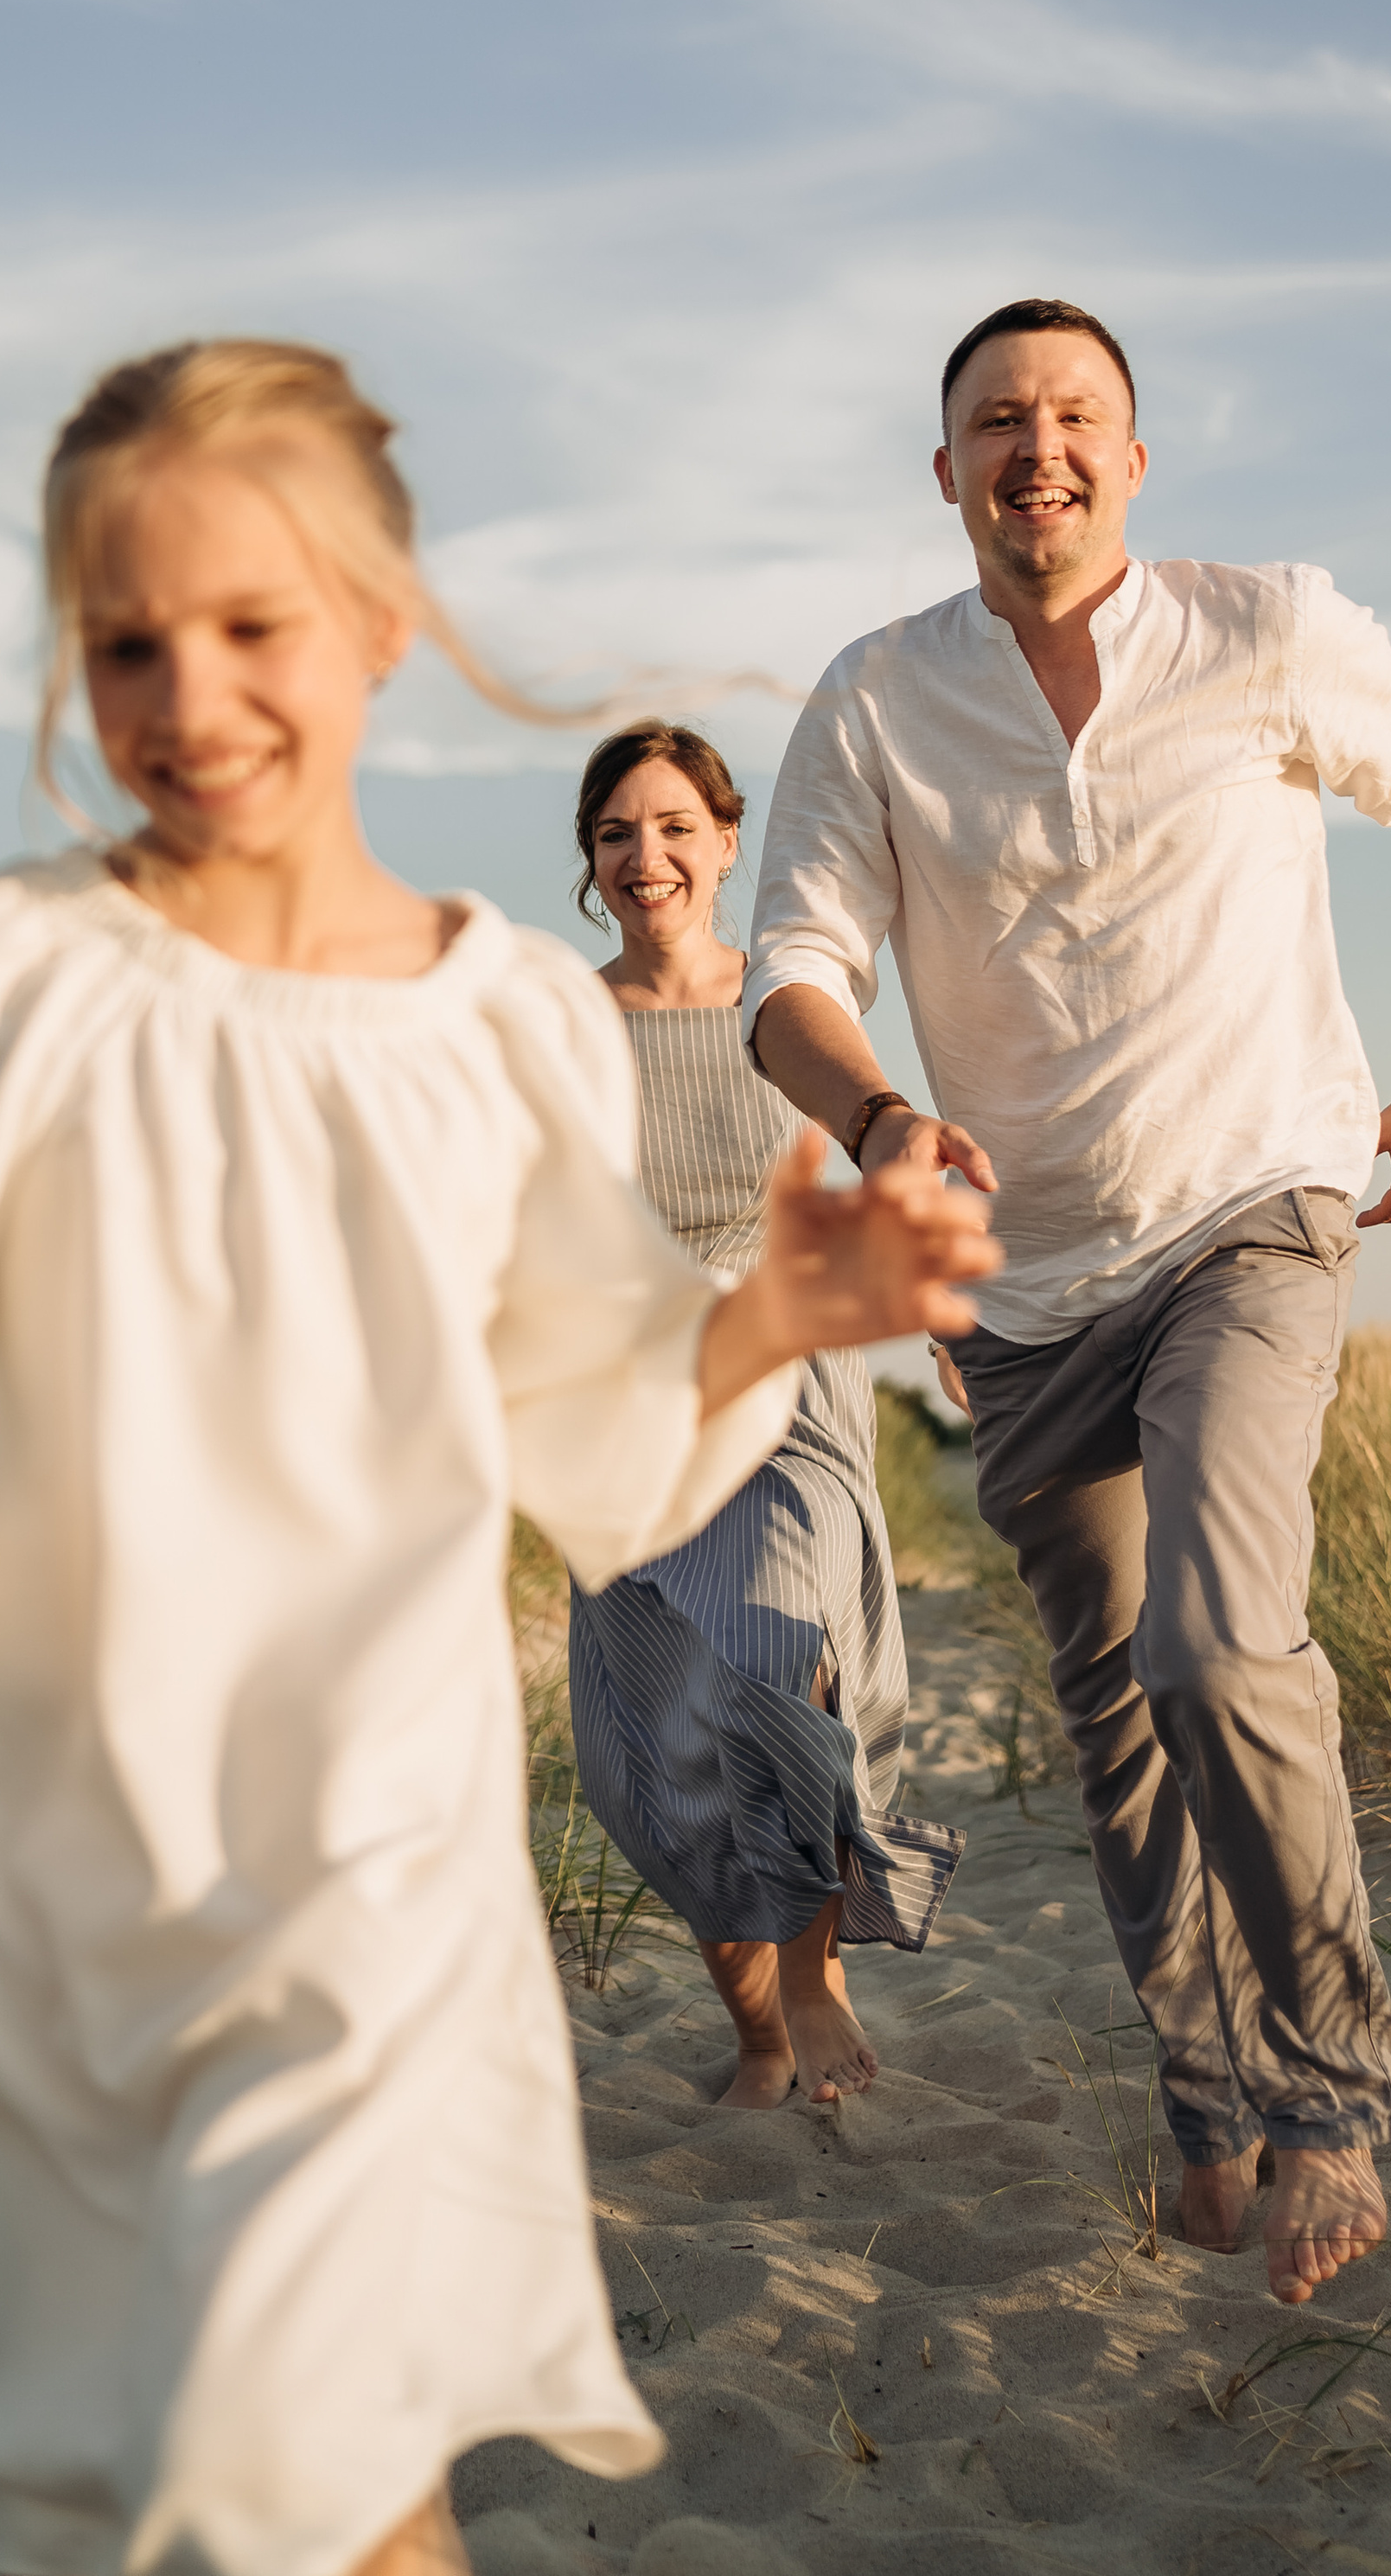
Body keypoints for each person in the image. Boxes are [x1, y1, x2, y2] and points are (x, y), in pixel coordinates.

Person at [0, 341, 999, 2576]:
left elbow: (586, 1416)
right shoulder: (0, 971)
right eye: (123, 642)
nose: (187, 696)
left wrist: (783, 1313)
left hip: (372, 1854)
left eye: (254, 626)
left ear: (384, 621)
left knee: (340, 2447)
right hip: (43, 1856)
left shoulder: (494, 1020)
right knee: (100, 2480)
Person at [741, 296, 1391, 2312]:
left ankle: (1331, 2090)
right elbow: (788, 978)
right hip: (1018, 1287)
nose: (1037, 449)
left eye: (1074, 415)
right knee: (1111, 1712)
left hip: (1250, 1207)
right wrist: (885, 1114)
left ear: (1133, 458)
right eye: (997, 422)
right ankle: (1206, 2105)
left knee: (1214, 1634)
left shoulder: (1267, 628)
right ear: (944, 474)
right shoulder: (875, 701)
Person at [562, 720, 965, 2112]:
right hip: (625, 1397)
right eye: (619, 833)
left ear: (730, 842)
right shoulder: (558, 1026)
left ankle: (814, 1969)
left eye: (676, 826)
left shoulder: (791, 1008)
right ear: (590, 863)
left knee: (774, 1653)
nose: (648, 856)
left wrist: (948, 1327)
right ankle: (755, 2038)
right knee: (666, 1737)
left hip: (786, 1373)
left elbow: (870, 1180)